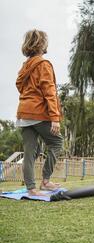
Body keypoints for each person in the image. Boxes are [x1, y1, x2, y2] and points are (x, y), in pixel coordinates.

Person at [16, 30, 63, 196]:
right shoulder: (43, 64)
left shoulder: (25, 65)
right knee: (57, 143)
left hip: (23, 113)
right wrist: (55, 118)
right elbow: (49, 91)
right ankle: (45, 181)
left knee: (30, 151)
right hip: (38, 114)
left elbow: (19, 85)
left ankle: (31, 189)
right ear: (42, 44)